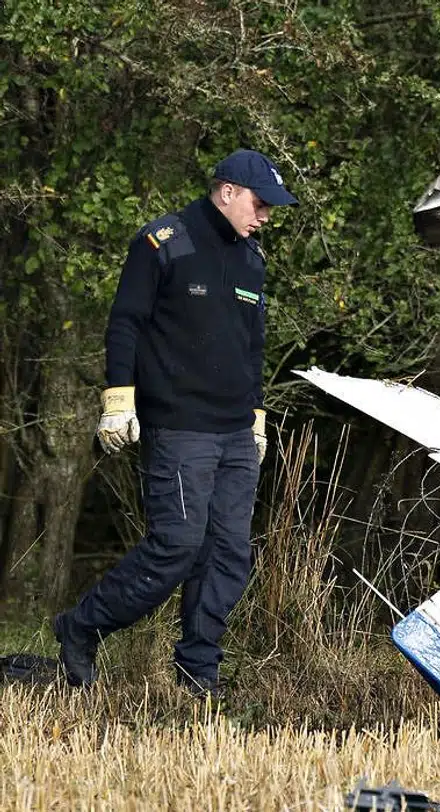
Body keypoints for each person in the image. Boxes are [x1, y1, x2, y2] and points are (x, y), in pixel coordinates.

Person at [51, 149, 297, 696]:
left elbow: (251, 346)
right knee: (177, 545)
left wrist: (256, 416)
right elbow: (126, 324)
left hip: (236, 430)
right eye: (260, 204)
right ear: (227, 191)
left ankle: (198, 671)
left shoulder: (252, 259)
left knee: (229, 552)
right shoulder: (164, 242)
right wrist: (119, 398)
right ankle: (80, 626)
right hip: (179, 427)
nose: (265, 217)